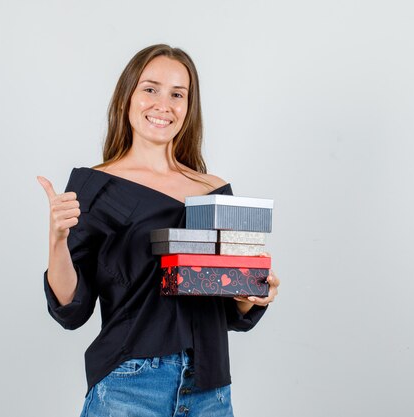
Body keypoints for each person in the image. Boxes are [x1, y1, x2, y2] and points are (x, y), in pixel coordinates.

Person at [37, 44, 280, 417]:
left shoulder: (214, 191)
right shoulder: (93, 187)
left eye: (177, 94)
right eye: (150, 89)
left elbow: (232, 311)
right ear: (128, 96)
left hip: (209, 391)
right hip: (129, 385)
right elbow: (73, 308)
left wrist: (256, 292)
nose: (163, 104)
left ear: (189, 106)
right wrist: (57, 240)